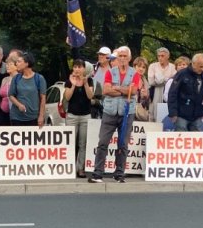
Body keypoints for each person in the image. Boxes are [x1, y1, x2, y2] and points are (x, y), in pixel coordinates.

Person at [88, 46, 141, 184]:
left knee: (122, 144)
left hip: (126, 113)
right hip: (110, 111)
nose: (122, 58)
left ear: (129, 58)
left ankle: (119, 173)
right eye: (120, 56)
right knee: (103, 142)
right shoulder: (110, 72)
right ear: (116, 58)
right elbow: (106, 90)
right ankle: (98, 173)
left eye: (125, 56)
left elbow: (134, 91)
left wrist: (116, 88)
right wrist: (124, 90)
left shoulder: (134, 73)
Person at [64, 59, 94, 178]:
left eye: (79, 67)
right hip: (72, 115)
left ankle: (80, 168)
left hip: (85, 115)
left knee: (83, 143)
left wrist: (85, 83)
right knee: (71, 142)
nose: (77, 69)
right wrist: (73, 84)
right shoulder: (68, 81)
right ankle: (69, 167)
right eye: (75, 67)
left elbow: (90, 96)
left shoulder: (89, 80)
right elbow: (67, 97)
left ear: (84, 69)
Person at [167, 53, 203, 132]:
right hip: (181, 115)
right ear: (193, 64)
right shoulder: (182, 74)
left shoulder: (202, 75)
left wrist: (201, 112)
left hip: (196, 115)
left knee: (198, 141)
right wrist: (173, 113)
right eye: (201, 66)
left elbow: (202, 95)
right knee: (181, 140)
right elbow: (172, 93)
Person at [8, 52, 46, 126]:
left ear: (27, 64)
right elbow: (11, 95)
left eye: (19, 61)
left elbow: (43, 99)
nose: (16, 64)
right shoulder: (16, 78)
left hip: (33, 117)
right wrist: (19, 105)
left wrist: (41, 116)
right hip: (16, 116)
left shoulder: (39, 78)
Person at [147, 47, 176, 121]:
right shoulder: (153, 66)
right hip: (156, 91)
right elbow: (151, 82)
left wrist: (160, 79)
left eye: (162, 56)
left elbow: (173, 81)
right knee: (154, 112)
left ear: (168, 56)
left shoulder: (172, 67)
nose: (160, 58)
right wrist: (166, 79)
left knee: (166, 112)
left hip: (169, 92)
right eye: (158, 56)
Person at [0, 55, 18, 126]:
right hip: (2, 112)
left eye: (10, 64)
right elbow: (0, 96)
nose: (7, 66)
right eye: (7, 64)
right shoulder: (4, 79)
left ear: (17, 66)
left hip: (16, 112)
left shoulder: (21, 79)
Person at [132, 57, 151, 122]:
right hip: (129, 112)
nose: (141, 69)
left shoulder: (145, 82)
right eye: (139, 66)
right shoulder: (129, 78)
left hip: (140, 115)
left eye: (143, 67)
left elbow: (148, 104)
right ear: (134, 66)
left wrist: (146, 97)